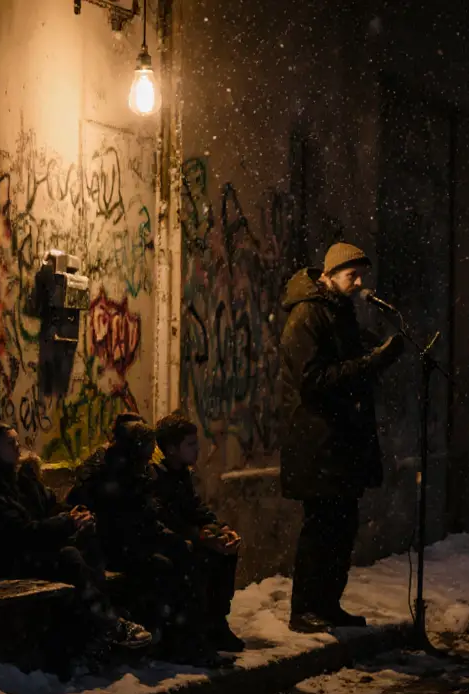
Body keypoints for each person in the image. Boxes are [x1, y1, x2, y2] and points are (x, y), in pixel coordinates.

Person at [277, 242, 406, 633]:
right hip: (318, 443)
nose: (360, 282)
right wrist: (372, 363)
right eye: (352, 275)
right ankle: (304, 610)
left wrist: (375, 355)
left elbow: (346, 367)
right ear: (330, 275)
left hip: (341, 443)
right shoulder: (307, 316)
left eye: (361, 275)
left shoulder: (339, 312)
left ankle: (329, 604)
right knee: (321, 528)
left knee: (342, 527)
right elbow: (314, 380)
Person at [0, 422, 153, 668]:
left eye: (17, 441)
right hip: (0, 560)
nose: (18, 448)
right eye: (11, 443)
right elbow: (18, 533)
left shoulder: (17, 475)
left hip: (26, 551)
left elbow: (47, 508)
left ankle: (98, 634)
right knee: (69, 556)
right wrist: (66, 523)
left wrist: (74, 515)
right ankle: (107, 625)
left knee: (87, 546)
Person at [66, 414, 230, 667]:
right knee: (172, 565)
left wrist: (202, 533)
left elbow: (151, 516)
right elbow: (136, 521)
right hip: (113, 547)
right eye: (147, 448)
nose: (150, 455)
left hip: (129, 541)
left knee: (188, 558)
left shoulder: (133, 470)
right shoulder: (117, 473)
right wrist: (175, 540)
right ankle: (183, 642)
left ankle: (194, 637)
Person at [151, 412, 245, 652]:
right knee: (198, 557)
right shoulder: (155, 476)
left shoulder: (182, 472)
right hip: (162, 540)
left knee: (225, 550)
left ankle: (216, 621)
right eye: (191, 444)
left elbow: (195, 507)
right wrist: (199, 535)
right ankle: (196, 629)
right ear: (171, 448)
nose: (197, 450)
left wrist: (220, 528)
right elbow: (163, 518)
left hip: (183, 534)